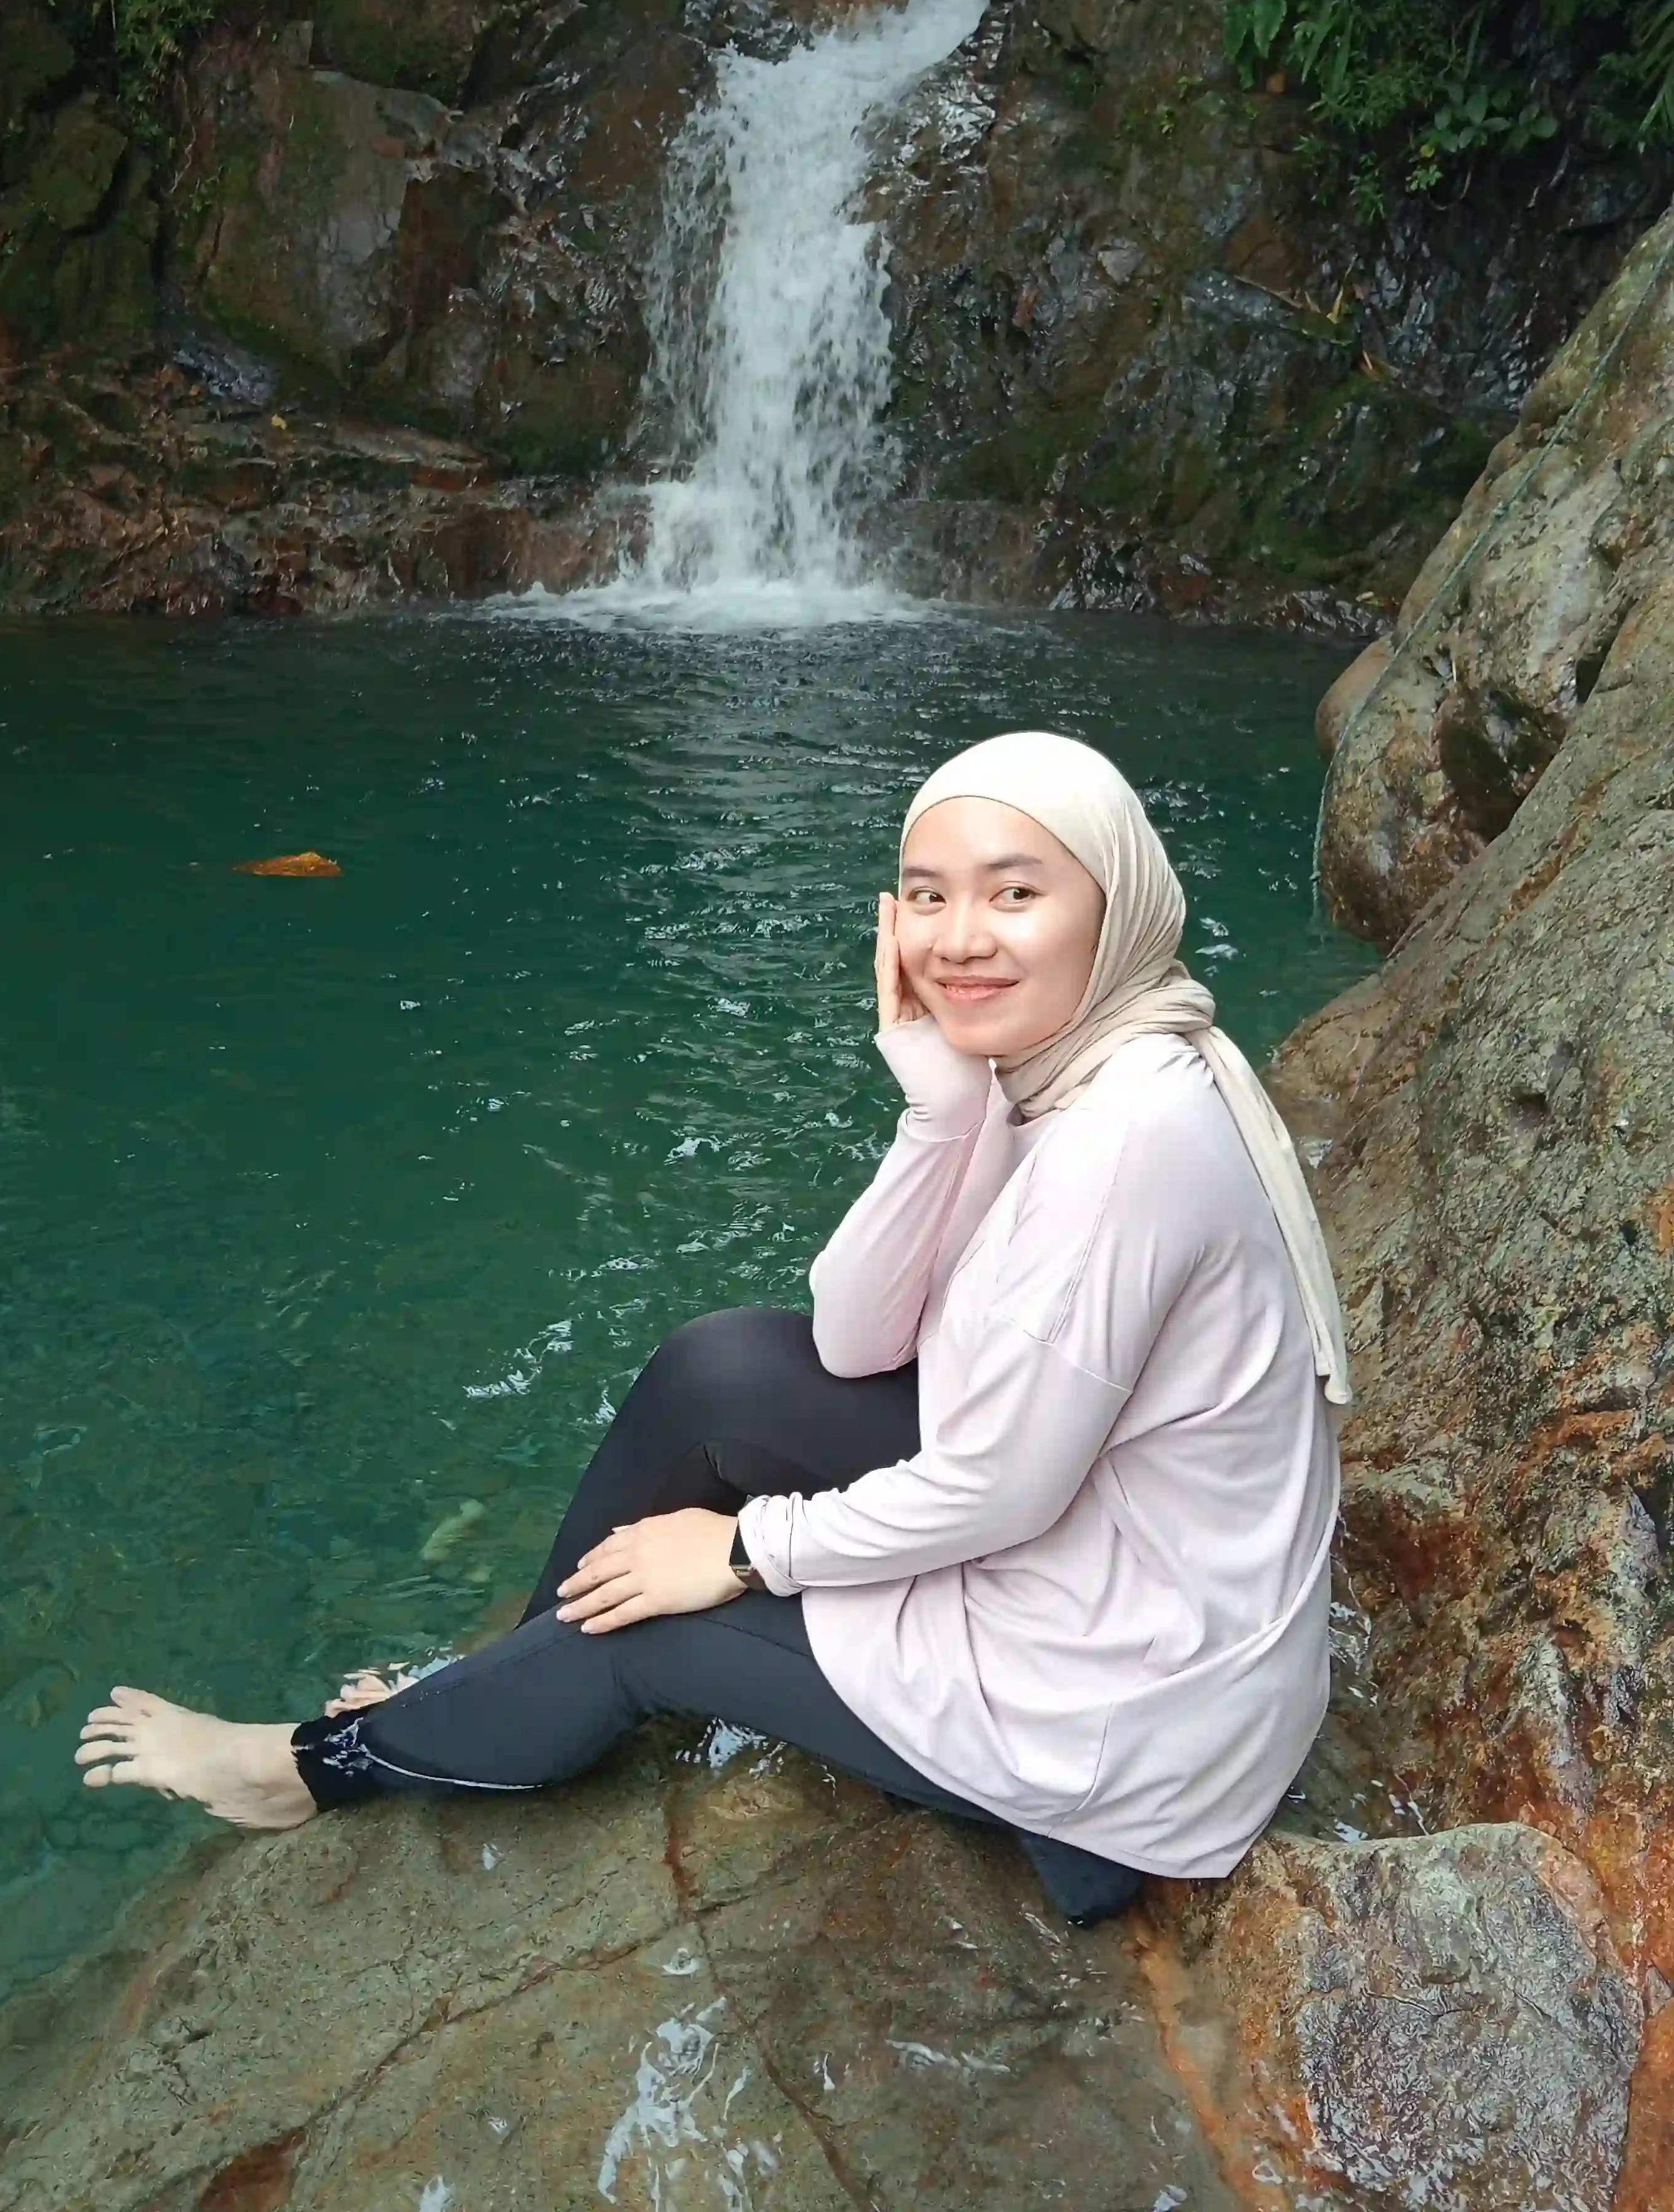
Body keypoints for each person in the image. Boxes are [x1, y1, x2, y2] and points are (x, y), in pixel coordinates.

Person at [76, 730, 1351, 1924]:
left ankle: (314, 1768)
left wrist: (745, 1551)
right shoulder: (1082, 1066)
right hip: (1114, 1568)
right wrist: (939, 1111)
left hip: (1124, 1719)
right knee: (721, 1368)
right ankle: (502, 1682)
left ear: (1113, 907)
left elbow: (999, 1493)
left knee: (654, 1620)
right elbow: (857, 1341)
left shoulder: (1123, 1147)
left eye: (1016, 896)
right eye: (925, 893)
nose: (960, 939)